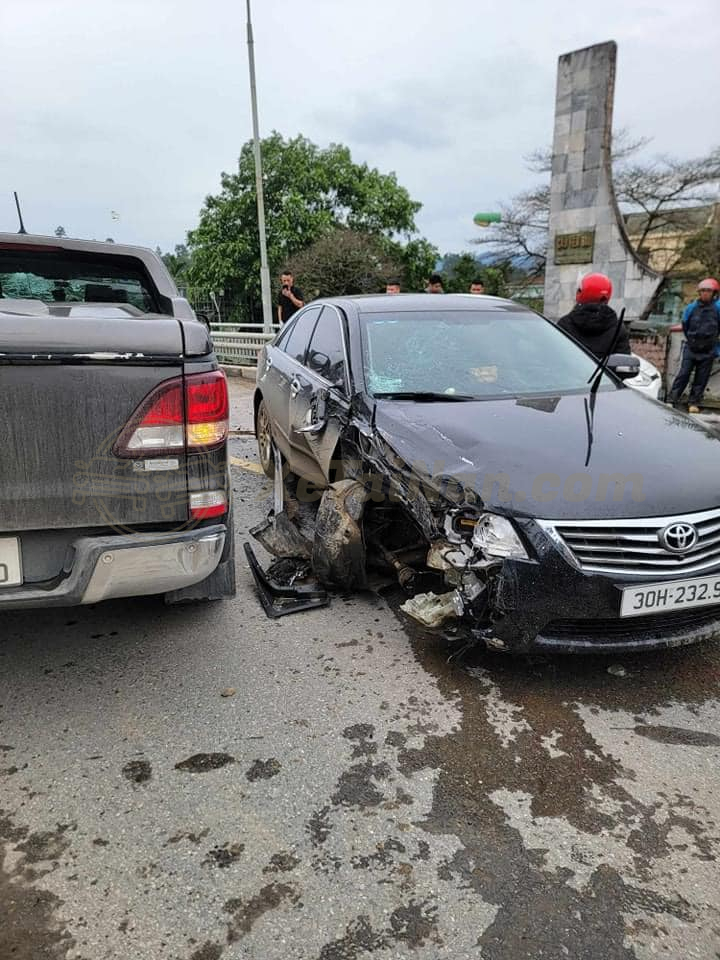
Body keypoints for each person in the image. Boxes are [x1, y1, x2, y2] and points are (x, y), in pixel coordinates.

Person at [668, 278, 720, 413]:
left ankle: (694, 402)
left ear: (714, 292)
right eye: (702, 291)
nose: (705, 293)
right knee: (683, 374)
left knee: (701, 378)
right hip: (691, 348)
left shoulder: (718, 308)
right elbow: (685, 324)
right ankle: (672, 399)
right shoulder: (691, 307)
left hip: (708, 350)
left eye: (708, 291)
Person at [557, 272, 630, 359]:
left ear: (580, 293)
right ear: (606, 297)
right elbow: (623, 367)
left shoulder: (564, 325)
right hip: (602, 373)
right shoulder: (618, 329)